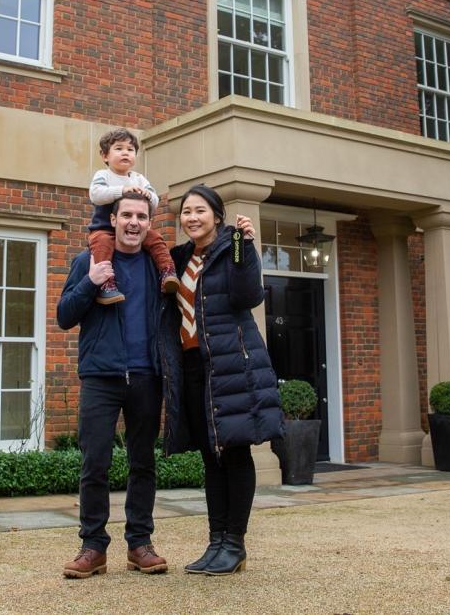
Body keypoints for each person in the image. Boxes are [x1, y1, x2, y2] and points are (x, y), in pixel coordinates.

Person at [159, 184, 284, 576]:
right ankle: (216, 542)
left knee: (234, 452)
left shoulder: (231, 247)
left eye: (200, 210)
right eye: (186, 212)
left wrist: (245, 246)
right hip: (193, 368)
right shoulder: (179, 257)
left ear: (217, 215)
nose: (192, 217)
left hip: (232, 367)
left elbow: (247, 295)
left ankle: (235, 544)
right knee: (210, 459)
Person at [56, 191, 168, 579]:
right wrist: (90, 283)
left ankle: (140, 544)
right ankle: (93, 547)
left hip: (146, 377)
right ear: (114, 219)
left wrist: (241, 242)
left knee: (143, 462)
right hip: (101, 376)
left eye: (141, 216)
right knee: (95, 463)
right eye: (127, 215)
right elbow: (63, 317)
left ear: (149, 224)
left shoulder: (158, 268)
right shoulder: (88, 261)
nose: (134, 222)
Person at [87, 128, 179, 305]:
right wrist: (122, 190)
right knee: (102, 245)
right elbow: (96, 195)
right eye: (119, 148)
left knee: (155, 238)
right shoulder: (103, 176)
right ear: (105, 156)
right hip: (104, 228)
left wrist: (146, 194)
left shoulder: (139, 179)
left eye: (130, 150)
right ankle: (106, 284)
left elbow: (155, 201)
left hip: (132, 230)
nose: (125, 153)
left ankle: (168, 272)